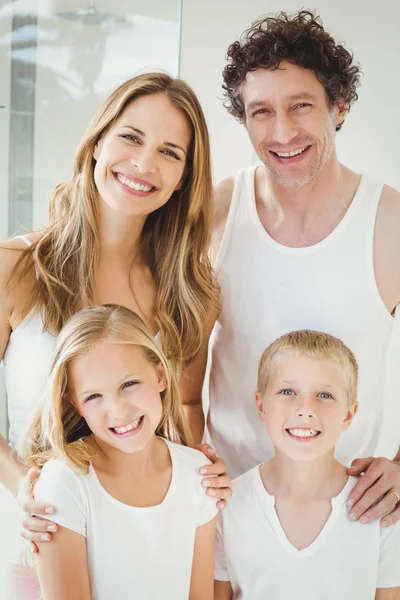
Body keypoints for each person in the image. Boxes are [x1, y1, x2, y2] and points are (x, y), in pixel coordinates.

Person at [0, 72, 230, 595]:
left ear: (183, 179)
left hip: (151, 551)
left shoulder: (192, 290)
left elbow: (186, 409)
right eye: (130, 137)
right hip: (39, 540)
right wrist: (22, 487)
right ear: (97, 141)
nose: (144, 164)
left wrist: (200, 467)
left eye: (170, 152)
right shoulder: (14, 267)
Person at [208, 10, 400, 525]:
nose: (282, 131)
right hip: (227, 512)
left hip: (351, 517)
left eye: (301, 106)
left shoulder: (390, 223)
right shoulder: (214, 215)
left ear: (339, 107)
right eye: (261, 111)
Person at [20, 304, 217, 600]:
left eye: (129, 384)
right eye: (94, 396)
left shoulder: (197, 474)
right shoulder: (65, 483)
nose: (118, 410)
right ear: (74, 403)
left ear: (160, 375)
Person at [214, 330, 400, 600]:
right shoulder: (226, 507)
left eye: (324, 395)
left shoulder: (380, 510)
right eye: (287, 391)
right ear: (261, 406)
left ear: (349, 415)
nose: (305, 408)